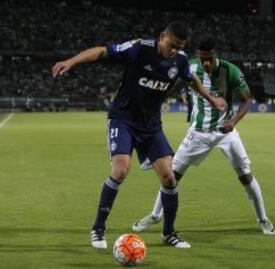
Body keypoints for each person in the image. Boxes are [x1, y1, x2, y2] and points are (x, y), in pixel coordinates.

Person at [52, 22, 227, 249]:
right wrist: (70, 61)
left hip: (151, 126)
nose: (173, 50)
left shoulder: (180, 61)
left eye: (179, 47)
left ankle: (168, 233)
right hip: (123, 120)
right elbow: (102, 51)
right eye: (171, 45)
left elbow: (190, 80)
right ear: (162, 36)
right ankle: (98, 229)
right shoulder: (139, 48)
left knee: (169, 177)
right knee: (120, 170)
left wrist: (212, 99)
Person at [132, 35, 275, 236]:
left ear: (216, 54)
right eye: (202, 58)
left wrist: (233, 122)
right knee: (171, 176)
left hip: (226, 133)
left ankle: (263, 219)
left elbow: (246, 99)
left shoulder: (231, 70)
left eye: (209, 58)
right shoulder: (189, 66)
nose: (206, 63)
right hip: (198, 132)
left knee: (245, 175)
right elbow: (172, 84)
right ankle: (155, 215)